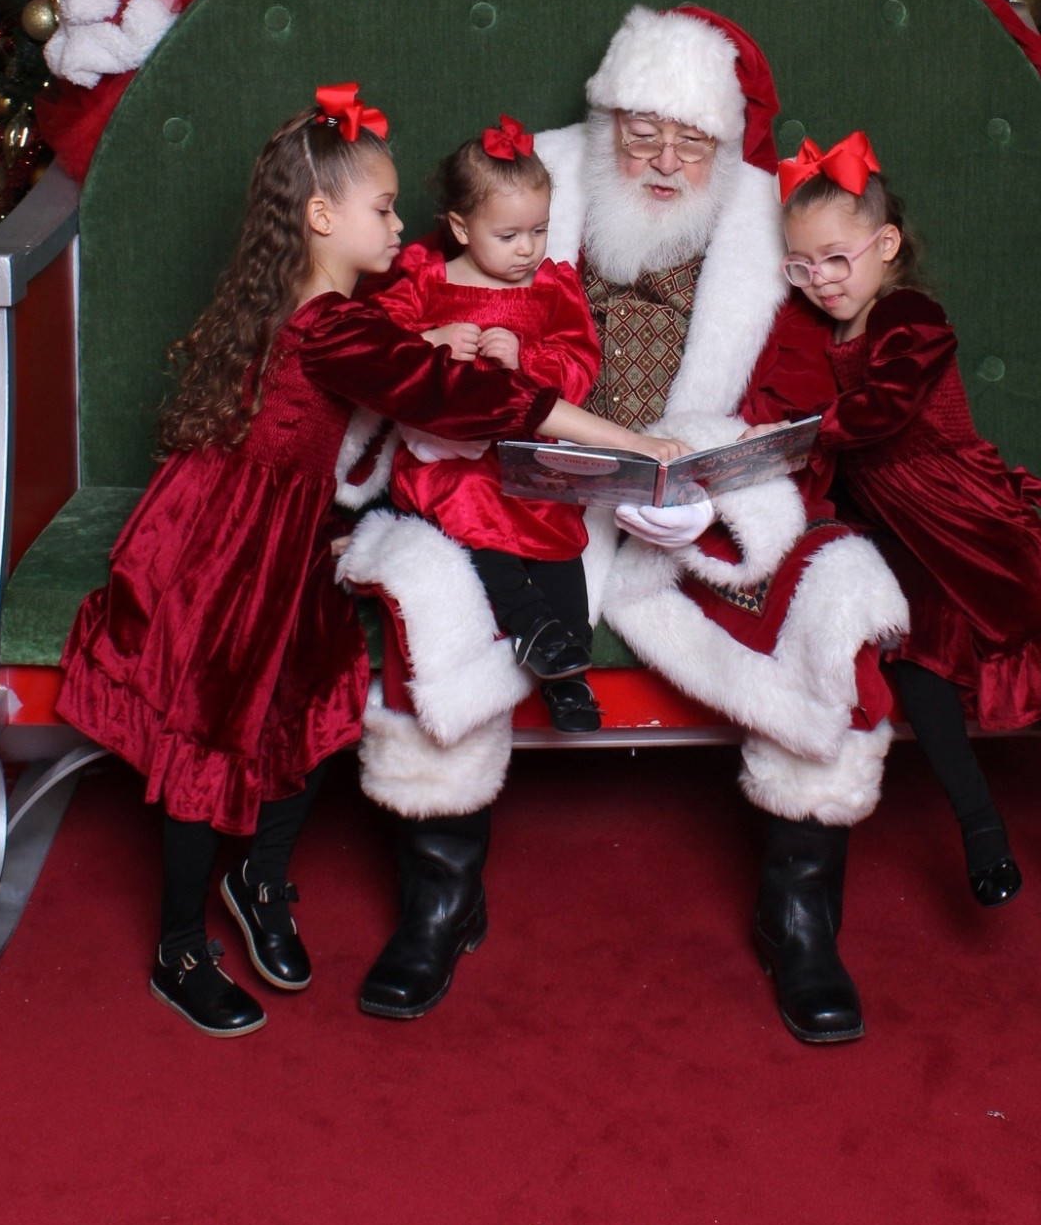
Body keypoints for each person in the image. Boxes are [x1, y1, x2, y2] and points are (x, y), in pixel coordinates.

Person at [56, 84, 684, 1038]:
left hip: (279, 530)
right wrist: (636, 447)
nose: (400, 225)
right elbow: (472, 401)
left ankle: (259, 880)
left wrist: (425, 337)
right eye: (382, 209)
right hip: (225, 545)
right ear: (320, 217)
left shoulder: (321, 309)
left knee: (315, 693)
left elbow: (373, 368)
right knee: (211, 725)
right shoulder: (335, 327)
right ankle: (179, 945)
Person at [340, 7, 909, 1042]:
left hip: (683, 511)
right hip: (519, 491)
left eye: (688, 139)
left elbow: (801, 387)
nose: (660, 158)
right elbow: (408, 330)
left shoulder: (757, 227)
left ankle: (798, 913)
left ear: (723, 145)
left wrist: (714, 462)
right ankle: (440, 892)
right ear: (604, 121)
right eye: (640, 130)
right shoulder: (527, 190)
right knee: (427, 586)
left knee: (831, 592)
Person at [770, 131, 1041, 931]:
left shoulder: (908, 314)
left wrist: (808, 433)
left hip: (963, 512)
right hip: (896, 534)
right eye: (800, 266)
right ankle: (980, 830)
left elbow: (886, 407)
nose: (820, 282)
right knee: (914, 658)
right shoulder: (818, 335)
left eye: (835, 260)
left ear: (885, 245)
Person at [375, 117, 604, 734]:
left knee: (559, 531)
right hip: (448, 459)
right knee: (471, 502)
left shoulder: (553, 288)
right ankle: (532, 625)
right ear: (459, 227)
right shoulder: (428, 280)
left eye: (539, 231)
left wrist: (527, 359)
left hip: (529, 454)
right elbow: (372, 349)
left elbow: (582, 367)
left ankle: (570, 672)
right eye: (508, 235)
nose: (527, 249)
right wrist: (432, 339)